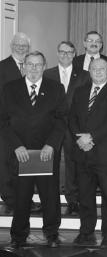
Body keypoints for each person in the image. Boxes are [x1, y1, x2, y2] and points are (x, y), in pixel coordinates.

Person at [1, 51, 67, 249]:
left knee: (50, 196)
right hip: (20, 153)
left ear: (44, 66)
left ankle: (52, 233)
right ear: (24, 66)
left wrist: (51, 144)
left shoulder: (56, 88)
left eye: (38, 64)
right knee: (21, 196)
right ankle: (18, 236)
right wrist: (16, 146)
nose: (34, 68)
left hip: (46, 152)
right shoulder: (9, 88)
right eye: (30, 64)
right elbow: (3, 121)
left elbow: (62, 119)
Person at [69, 58, 107, 246]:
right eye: (94, 68)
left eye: (102, 68)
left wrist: (90, 137)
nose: (98, 71)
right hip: (82, 151)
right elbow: (72, 118)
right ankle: (86, 230)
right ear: (89, 71)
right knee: (85, 194)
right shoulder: (80, 91)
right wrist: (80, 139)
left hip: (103, 151)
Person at [43, 41, 87, 215]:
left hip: (74, 126)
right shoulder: (47, 74)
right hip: (52, 125)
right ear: (57, 53)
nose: (66, 55)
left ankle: (72, 198)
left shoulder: (84, 75)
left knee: (72, 163)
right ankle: (49, 197)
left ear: (75, 53)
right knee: (50, 161)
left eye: (69, 52)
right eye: (62, 52)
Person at [0, 33, 32, 215]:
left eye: (24, 45)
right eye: (18, 45)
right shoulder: (2, 67)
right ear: (12, 46)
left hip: (27, 124)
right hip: (6, 122)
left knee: (23, 162)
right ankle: (10, 198)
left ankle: (23, 198)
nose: (21, 48)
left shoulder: (32, 66)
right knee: (6, 161)